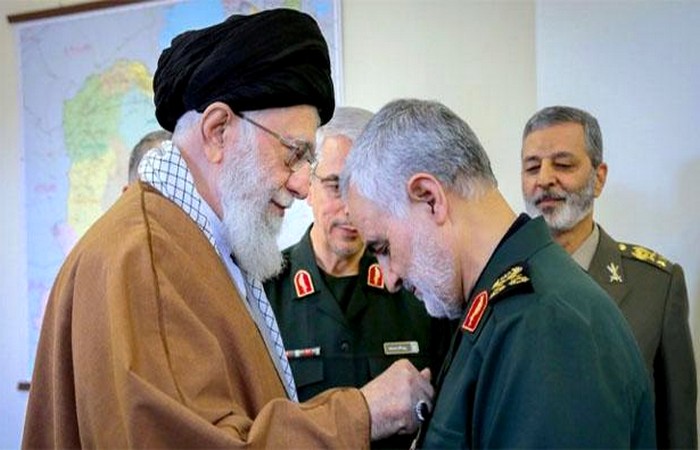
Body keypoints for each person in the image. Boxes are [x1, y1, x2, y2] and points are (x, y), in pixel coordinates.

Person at [22, 11, 434, 449]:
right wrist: (362, 414)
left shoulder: (193, 242)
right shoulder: (146, 258)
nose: (301, 184)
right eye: (293, 154)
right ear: (218, 131)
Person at [339, 98, 656, 448]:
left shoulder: (547, 325)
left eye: (383, 248)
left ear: (430, 198)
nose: (389, 278)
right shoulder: (496, 309)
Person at [264, 106, 451, 448]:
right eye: (335, 186)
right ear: (309, 185)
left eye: (364, 188)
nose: (350, 208)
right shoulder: (264, 292)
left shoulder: (420, 290)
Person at [520, 105, 697, 449]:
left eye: (563, 164)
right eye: (532, 167)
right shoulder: (500, 284)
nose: (544, 179)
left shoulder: (657, 287)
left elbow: (678, 432)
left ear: (599, 178)